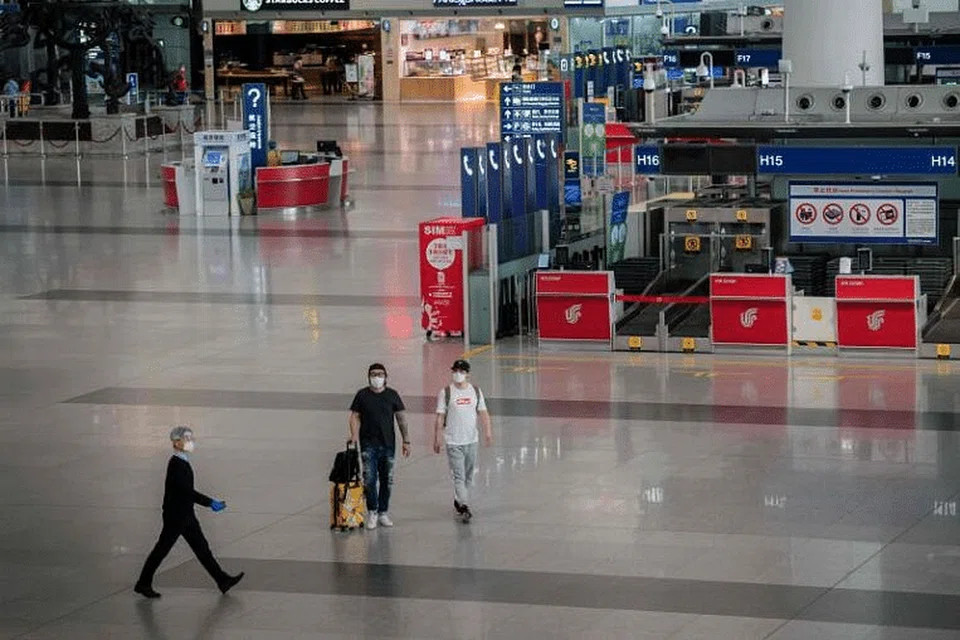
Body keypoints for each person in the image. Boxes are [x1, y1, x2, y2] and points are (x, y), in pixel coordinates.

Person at [134, 426, 244, 599]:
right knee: (162, 549)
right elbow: (187, 492)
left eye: (191, 439)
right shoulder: (176, 464)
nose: (191, 442)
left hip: (186, 515)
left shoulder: (182, 462)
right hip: (176, 517)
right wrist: (210, 503)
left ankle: (222, 580)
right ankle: (143, 583)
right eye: (187, 439)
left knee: (202, 549)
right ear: (177, 442)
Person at [349, 363, 410, 530]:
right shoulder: (362, 395)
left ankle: (383, 511)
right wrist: (354, 435)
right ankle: (373, 511)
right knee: (369, 479)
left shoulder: (392, 395)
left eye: (380, 374)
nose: (377, 377)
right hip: (368, 444)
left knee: (387, 479)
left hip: (388, 444)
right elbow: (354, 416)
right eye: (374, 374)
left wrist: (406, 440)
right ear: (369, 376)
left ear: (385, 377)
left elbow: (401, 418)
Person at [433, 359, 493, 523]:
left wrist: (488, 432)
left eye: (461, 371)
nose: (457, 374)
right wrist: (437, 438)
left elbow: (483, 413)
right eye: (455, 371)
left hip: (471, 441)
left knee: (467, 476)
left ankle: (458, 499)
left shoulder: (475, 391)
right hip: (453, 442)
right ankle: (465, 505)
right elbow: (440, 417)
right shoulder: (446, 393)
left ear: (467, 373)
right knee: (459, 476)